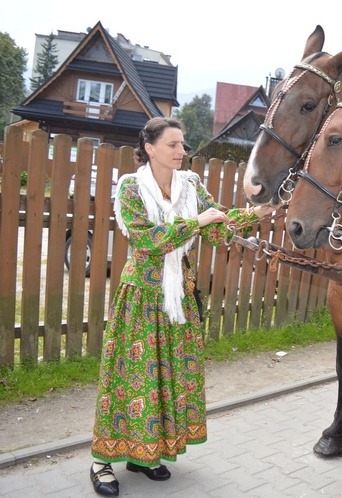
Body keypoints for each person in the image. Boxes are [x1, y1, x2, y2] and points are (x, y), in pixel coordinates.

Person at [89, 117, 261, 496]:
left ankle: (144, 455)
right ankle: (101, 461)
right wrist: (194, 222)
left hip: (179, 298)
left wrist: (257, 214)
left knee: (166, 379)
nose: (182, 151)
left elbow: (215, 228)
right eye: (174, 144)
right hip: (141, 297)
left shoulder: (192, 185)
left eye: (183, 144)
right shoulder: (131, 187)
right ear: (150, 148)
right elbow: (148, 240)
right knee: (130, 379)